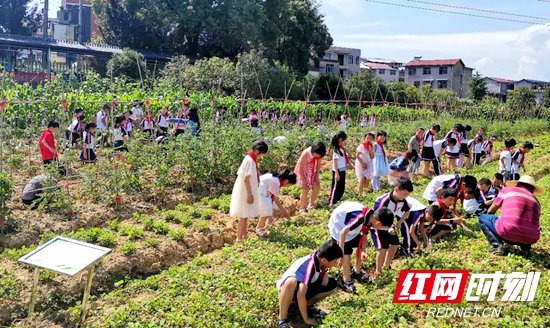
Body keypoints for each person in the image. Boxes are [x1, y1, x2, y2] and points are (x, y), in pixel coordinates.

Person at [328, 203, 394, 293]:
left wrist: (363, 251)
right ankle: (346, 279)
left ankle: (357, 272)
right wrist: (340, 255)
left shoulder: (370, 218)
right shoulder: (359, 218)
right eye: (382, 228)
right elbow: (342, 233)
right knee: (346, 254)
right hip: (339, 227)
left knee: (360, 245)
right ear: (378, 224)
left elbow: (364, 236)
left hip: (351, 229)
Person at [276, 240, 343, 328]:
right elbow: (301, 294)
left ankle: (305, 306)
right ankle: (282, 319)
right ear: (324, 260)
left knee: (332, 285)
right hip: (289, 290)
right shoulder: (309, 266)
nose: (336, 263)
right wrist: (306, 319)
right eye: (335, 261)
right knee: (291, 282)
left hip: (304, 286)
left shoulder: (320, 258)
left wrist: (324, 275)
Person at [478, 176, 545, 257]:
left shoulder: (507, 190)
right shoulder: (537, 202)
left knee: (482, 217)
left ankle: (497, 246)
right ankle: (526, 250)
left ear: (517, 184)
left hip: (508, 231)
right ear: (533, 189)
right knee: (526, 225)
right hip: (531, 238)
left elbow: (491, 210)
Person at [371, 178, 413, 278]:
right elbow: (376, 216)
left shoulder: (402, 201)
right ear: (396, 189)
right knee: (382, 249)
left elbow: (407, 211)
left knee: (395, 244)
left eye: (407, 195)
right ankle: (378, 272)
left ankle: (386, 265)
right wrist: (388, 227)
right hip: (378, 227)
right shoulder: (384, 201)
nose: (405, 197)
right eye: (404, 194)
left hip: (389, 225)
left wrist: (400, 222)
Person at [230, 140, 269, 243]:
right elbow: (246, 179)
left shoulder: (250, 159)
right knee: (243, 216)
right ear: (257, 151)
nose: (261, 156)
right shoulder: (250, 161)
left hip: (247, 190)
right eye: (261, 154)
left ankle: (244, 235)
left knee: (245, 215)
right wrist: (250, 194)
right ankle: (239, 239)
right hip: (246, 191)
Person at [256, 170, 297, 237]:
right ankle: (259, 228)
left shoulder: (275, 178)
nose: (288, 187)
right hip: (259, 192)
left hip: (261, 191)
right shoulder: (276, 183)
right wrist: (284, 211)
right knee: (267, 209)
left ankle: (268, 223)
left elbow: (272, 199)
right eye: (289, 185)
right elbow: (276, 200)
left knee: (269, 206)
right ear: (286, 181)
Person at [295, 142, 327, 213]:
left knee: (317, 185)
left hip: (311, 170)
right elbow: (300, 168)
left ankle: (311, 205)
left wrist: (316, 176)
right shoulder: (306, 153)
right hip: (303, 171)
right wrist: (303, 180)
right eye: (318, 155)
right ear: (314, 151)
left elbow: (318, 165)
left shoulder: (318, 154)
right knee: (305, 188)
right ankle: (302, 208)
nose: (318, 157)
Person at [330, 132, 353, 207]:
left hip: (342, 170)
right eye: (344, 140)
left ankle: (336, 201)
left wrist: (351, 165)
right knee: (336, 187)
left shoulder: (342, 149)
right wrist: (336, 173)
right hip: (338, 170)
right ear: (341, 139)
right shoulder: (336, 150)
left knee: (341, 188)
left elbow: (345, 159)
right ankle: (332, 202)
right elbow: (335, 162)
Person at [355, 132, 375, 196]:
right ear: (365, 138)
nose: (369, 139)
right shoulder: (362, 145)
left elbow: (372, 157)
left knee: (367, 179)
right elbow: (357, 155)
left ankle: (364, 190)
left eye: (370, 138)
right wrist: (362, 163)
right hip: (361, 163)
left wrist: (370, 151)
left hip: (369, 163)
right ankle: (360, 193)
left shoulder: (371, 146)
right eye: (367, 138)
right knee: (362, 178)